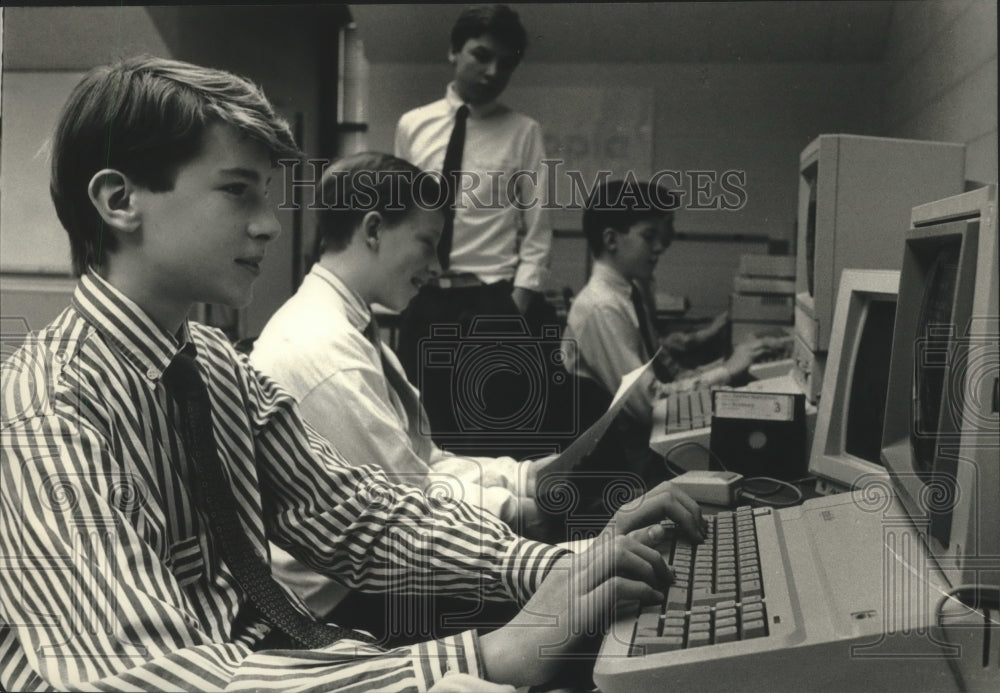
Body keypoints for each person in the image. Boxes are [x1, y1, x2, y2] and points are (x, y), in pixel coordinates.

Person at [0, 56, 706, 692]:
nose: (270, 225)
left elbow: (358, 516)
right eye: (238, 192)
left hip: (281, 656)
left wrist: (555, 565)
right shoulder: (46, 417)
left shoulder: (210, 362)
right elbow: (151, 678)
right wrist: (482, 656)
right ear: (120, 201)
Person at [251, 152, 557, 632]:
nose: (436, 268)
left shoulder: (351, 327)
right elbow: (408, 502)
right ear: (374, 230)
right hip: (337, 607)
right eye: (427, 244)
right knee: (567, 608)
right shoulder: (322, 347)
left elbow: (423, 462)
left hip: (373, 573)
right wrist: (516, 510)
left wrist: (523, 477)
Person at [393, 4, 555, 449]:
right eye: (481, 55)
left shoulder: (523, 131)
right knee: (422, 429)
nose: (492, 71)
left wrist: (518, 300)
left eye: (506, 63)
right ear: (453, 51)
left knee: (491, 433)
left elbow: (538, 227)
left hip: (492, 300)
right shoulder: (413, 125)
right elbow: (401, 217)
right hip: (426, 298)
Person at [561, 179, 778, 428]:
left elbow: (666, 375)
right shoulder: (601, 307)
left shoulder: (627, 294)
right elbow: (648, 404)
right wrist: (727, 371)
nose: (660, 247)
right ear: (611, 240)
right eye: (649, 236)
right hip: (621, 451)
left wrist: (734, 361)